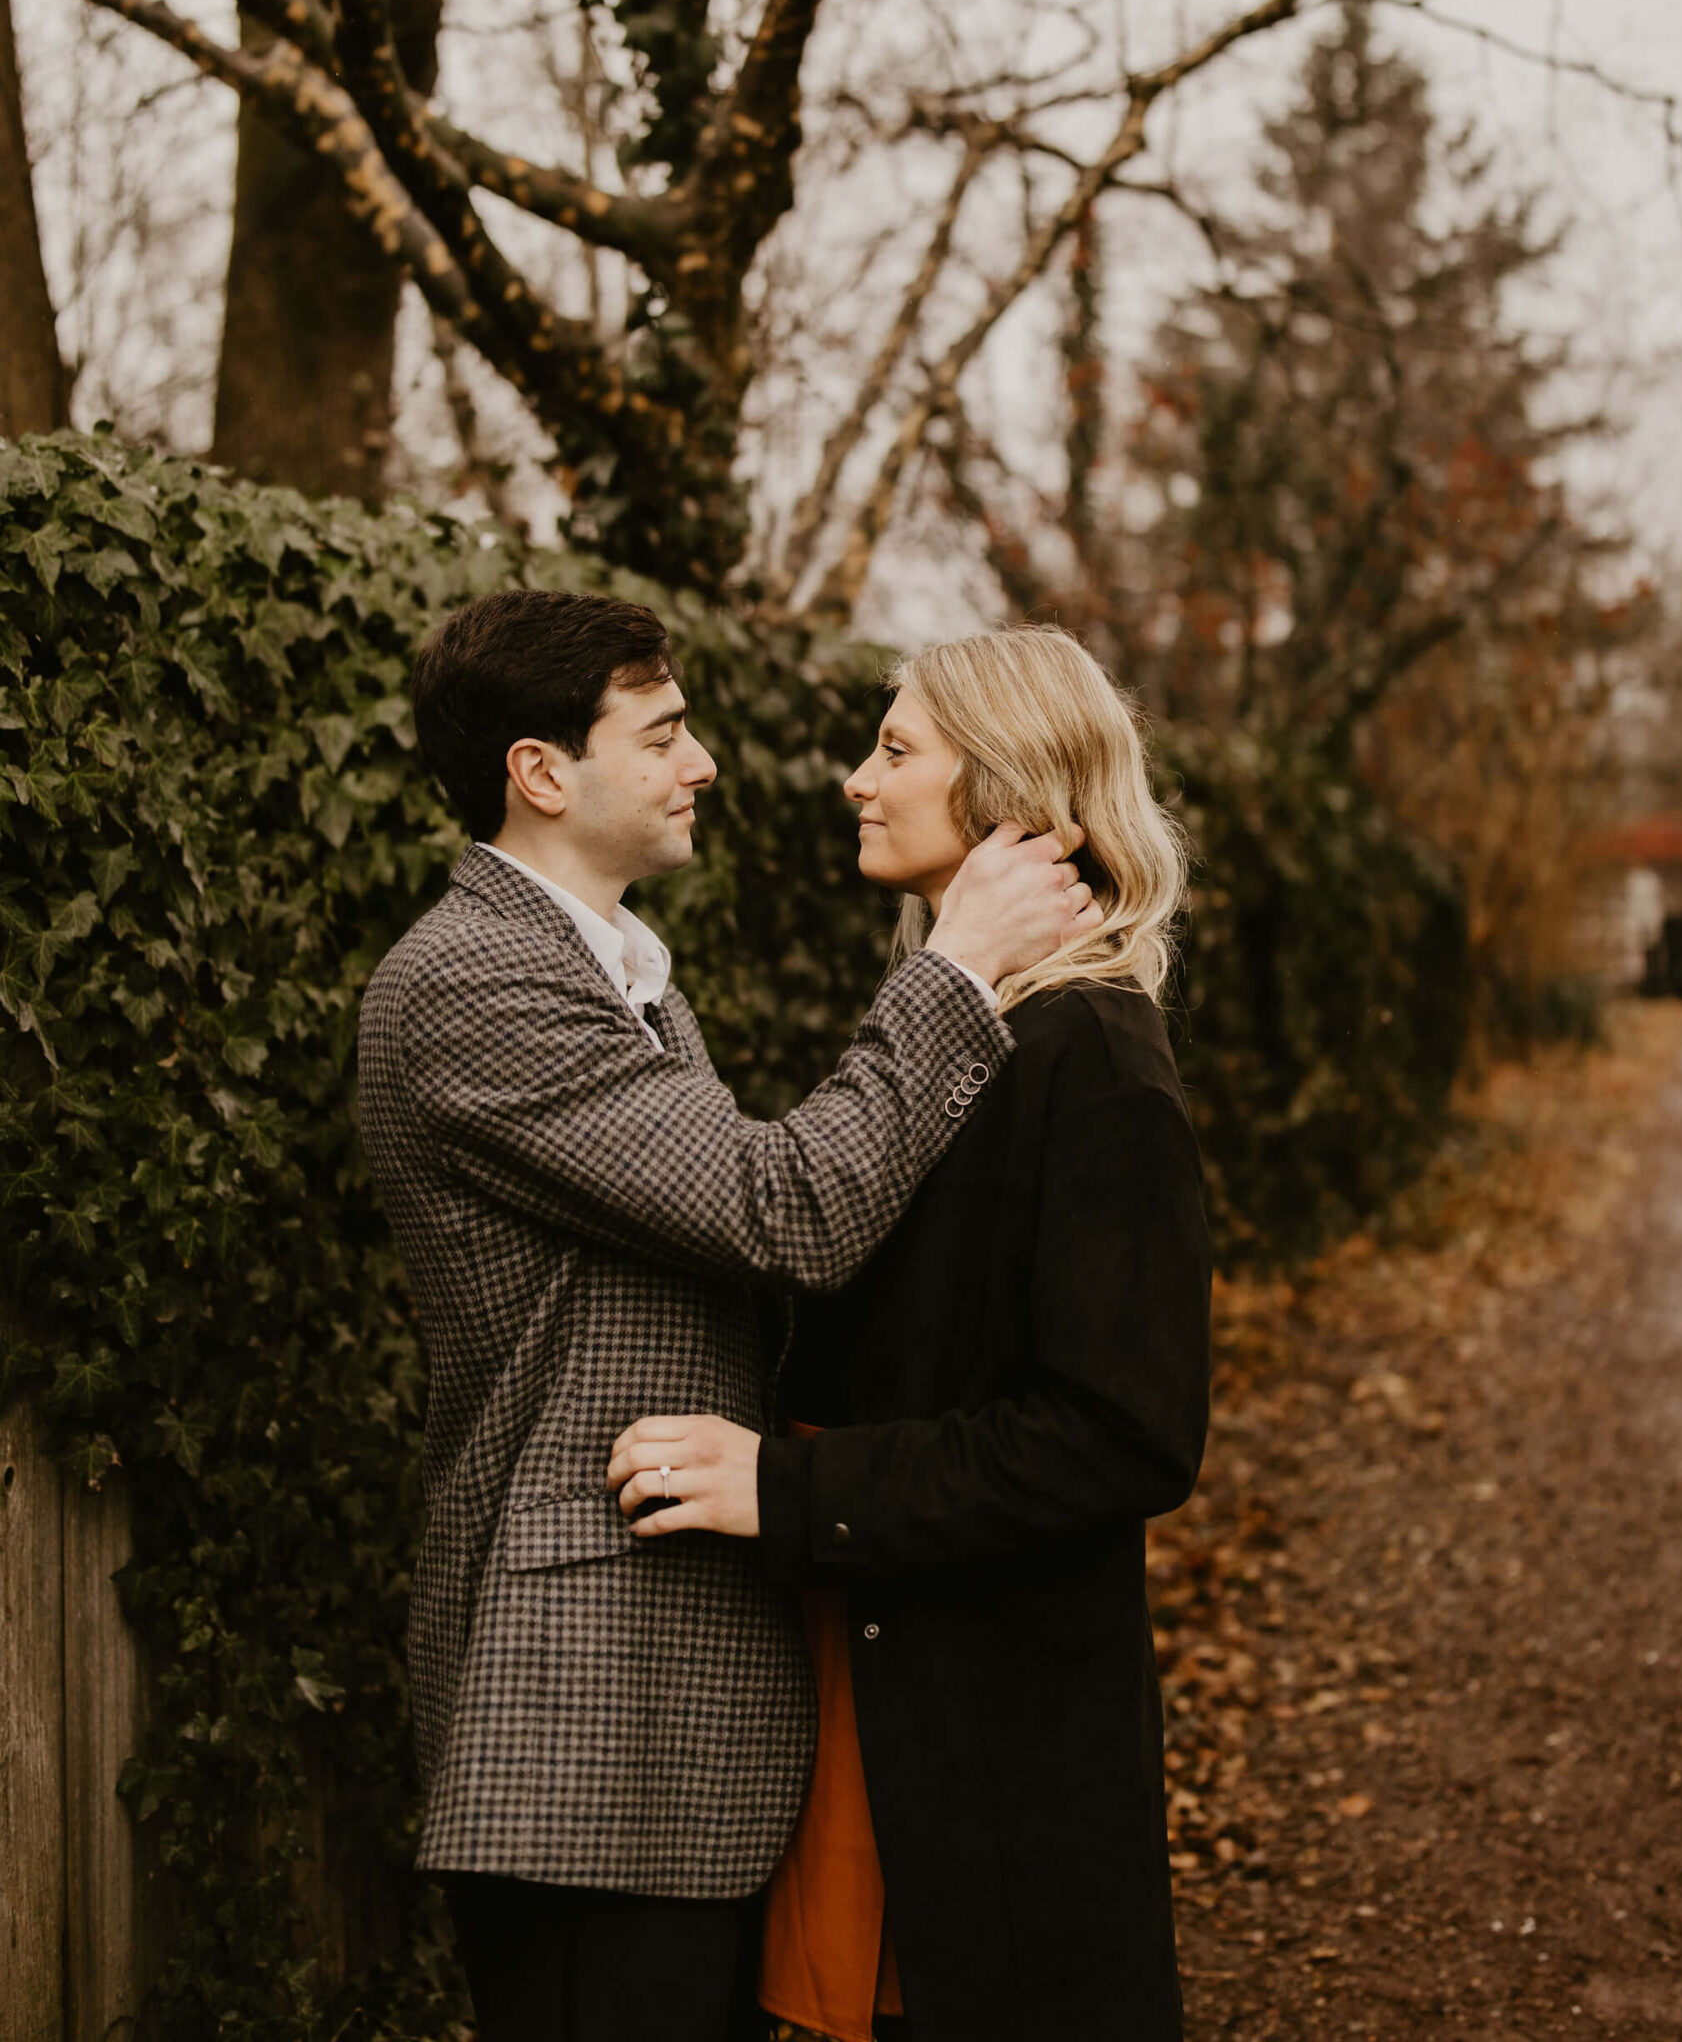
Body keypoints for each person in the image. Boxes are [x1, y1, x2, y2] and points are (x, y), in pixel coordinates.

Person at [357, 590, 1099, 2042]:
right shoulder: (475, 983)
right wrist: (958, 965)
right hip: (586, 1720)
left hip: (668, 1706)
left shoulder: (619, 976)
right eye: (665, 732)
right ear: (544, 772)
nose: (704, 765)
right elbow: (785, 1213)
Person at [607, 625, 1214, 2042]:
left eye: (895, 750)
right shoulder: (967, 1034)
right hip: (876, 1684)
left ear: (1008, 793)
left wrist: (788, 1489)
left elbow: (1123, 1434)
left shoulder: (1095, 1057)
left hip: (990, 1736)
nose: (852, 781)